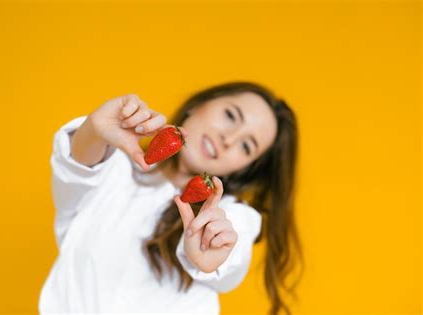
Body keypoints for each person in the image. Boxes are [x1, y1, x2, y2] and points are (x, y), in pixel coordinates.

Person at [38, 81, 303, 315]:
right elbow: (77, 169)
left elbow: (234, 247)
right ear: (198, 105)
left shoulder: (232, 214)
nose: (228, 138)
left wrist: (213, 250)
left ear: (244, 168)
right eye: (231, 115)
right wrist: (95, 129)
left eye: (247, 146)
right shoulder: (112, 169)